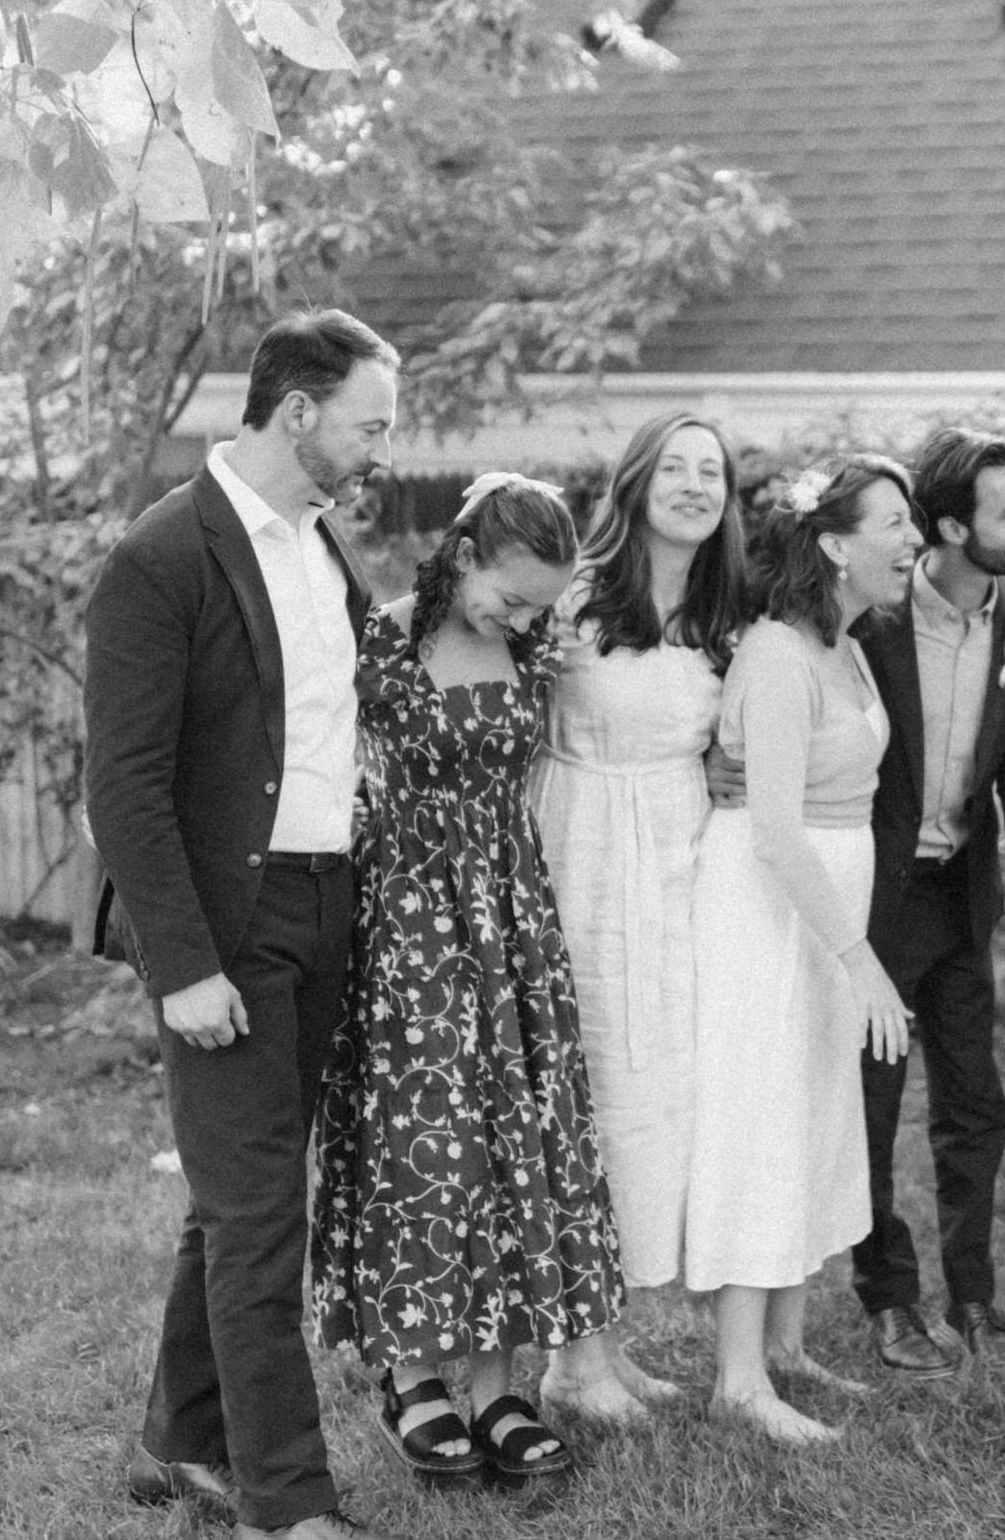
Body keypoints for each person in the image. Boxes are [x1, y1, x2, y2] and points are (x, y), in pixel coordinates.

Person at [85, 309, 407, 1540]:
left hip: (325, 906)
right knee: (264, 1216)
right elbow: (124, 788)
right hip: (226, 920)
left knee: (238, 1196)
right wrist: (183, 965)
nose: (382, 447)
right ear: (298, 413)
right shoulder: (162, 557)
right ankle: (286, 1500)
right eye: (371, 423)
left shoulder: (323, 548)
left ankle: (176, 1438)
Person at [309, 473, 616, 1488]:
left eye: (539, 604)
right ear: (466, 553)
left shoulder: (536, 650)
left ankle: (495, 1383)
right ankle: (412, 1374)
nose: (522, 616)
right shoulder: (381, 640)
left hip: (512, 923)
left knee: (507, 1140)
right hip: (406, 922)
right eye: (511, 594)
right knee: (421, 1140)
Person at [685, 455, 922, 1446]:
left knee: (813, 1116)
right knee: (761, 1116)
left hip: (826, 906)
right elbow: (775, 828)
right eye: (897, 523)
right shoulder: (779, 656)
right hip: (770, 914)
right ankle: (738, 1374)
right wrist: (859, 956)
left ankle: (785, 1341)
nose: (915, 539)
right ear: (835, 544)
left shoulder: (851, 643)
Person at [531, 413, 754, 1422]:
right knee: (590, 1089)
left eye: (712, 471)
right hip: (582, 849)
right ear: (636, 482)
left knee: (656, 1092)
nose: (695, 485)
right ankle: (568, 1356)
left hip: (681, 855)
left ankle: (604, 1343)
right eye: (676, 466)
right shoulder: (571, 594)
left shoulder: (724, 613)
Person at [849, 428, 1005, 1375]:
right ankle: (888, 1299)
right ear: (946, 526)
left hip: (965, 894)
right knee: (873, 1104)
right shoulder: (869, 621)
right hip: (879, 900)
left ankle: (973, 1292)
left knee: (975, 1103)